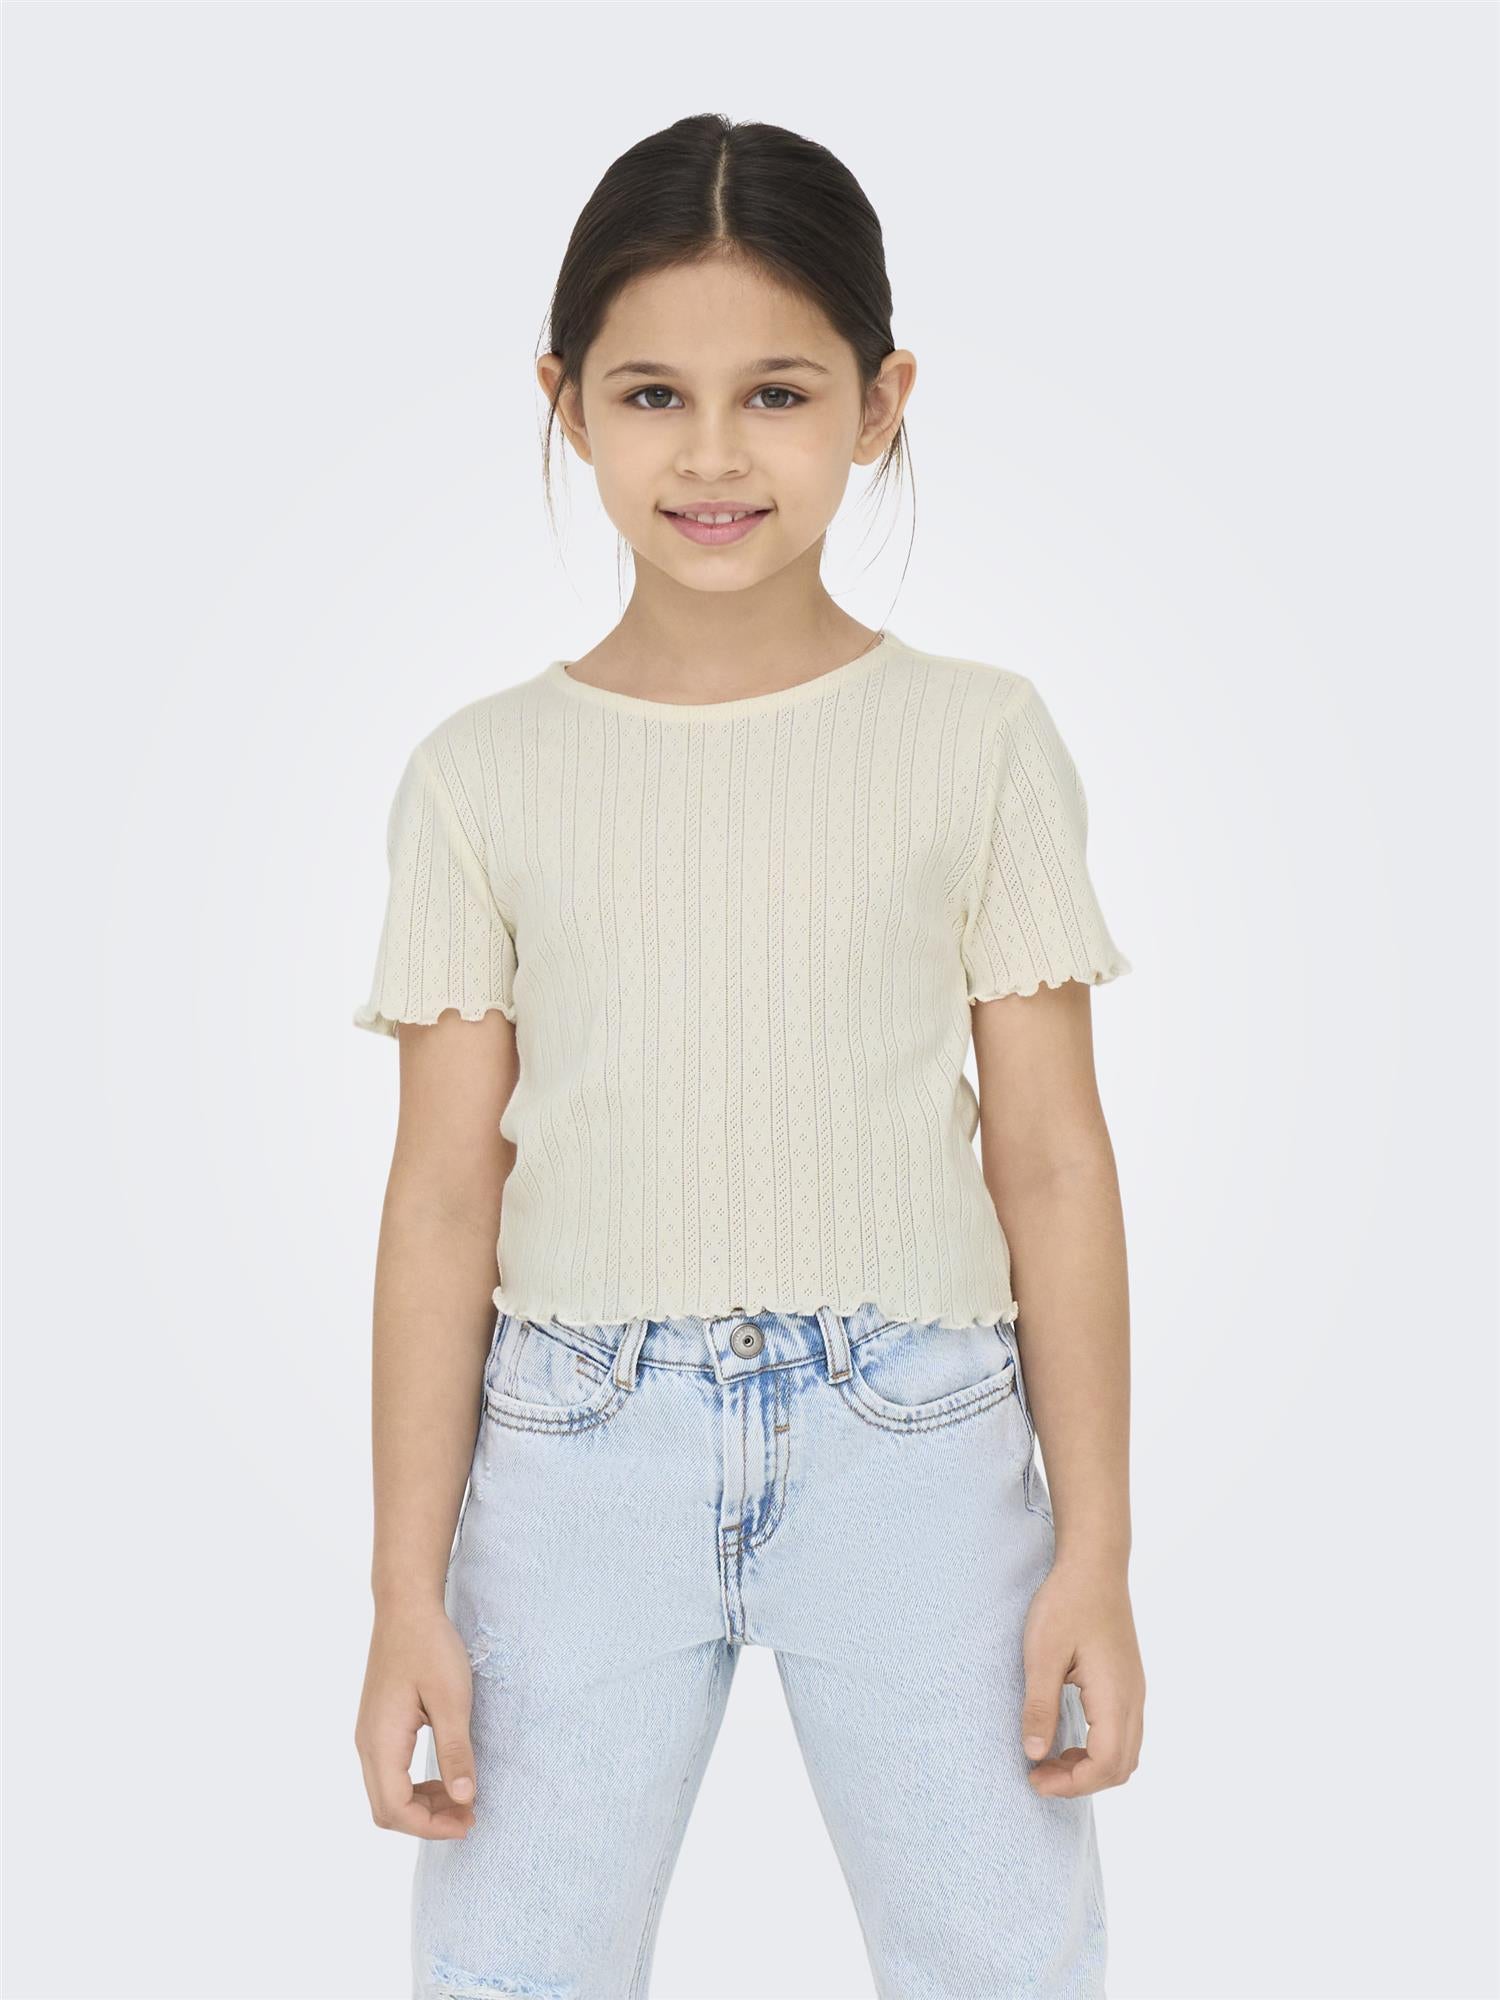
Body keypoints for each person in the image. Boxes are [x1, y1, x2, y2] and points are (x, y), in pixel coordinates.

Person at [351, 110, 1144, 2000]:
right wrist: (403, 1592)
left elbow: (1050, 1157)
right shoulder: (479, 777)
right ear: (567, 405)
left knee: (1001, 1963)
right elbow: (446, 1194)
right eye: (653, 394)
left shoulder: (978, 742)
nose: (713, 454)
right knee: (515, 1965)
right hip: (575, 1452)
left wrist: (1098, 1552)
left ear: (880, 404)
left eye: (778, 392)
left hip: (918, 1440)